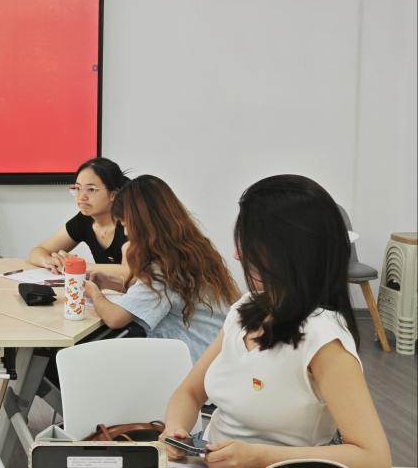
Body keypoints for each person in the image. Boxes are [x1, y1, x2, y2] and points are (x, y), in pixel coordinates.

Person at [161, 175, 391, 467]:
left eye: (249, 243)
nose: (237, 254)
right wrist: (175, 431)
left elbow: (375, 458)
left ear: (287, 251)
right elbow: (190, 392)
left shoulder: (323, 339)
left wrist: (260, 457)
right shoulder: (245, 309)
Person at [83, 175, 239, 362]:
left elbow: (115, 318)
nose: (125, 232)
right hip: (217, 352)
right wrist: (114, 283)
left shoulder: (164, 268)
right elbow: (160, 294)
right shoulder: (192, 249)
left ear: (141, 223)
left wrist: (94, 294)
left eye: (125, 224)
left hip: (195, 362)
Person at [28, 157, 130, 278]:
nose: (81, 197)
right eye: (77, 188)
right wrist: (50, 261)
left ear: (113, 194)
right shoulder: (84, 220)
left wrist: (77, 265)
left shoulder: (131, 222)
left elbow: (129, 272)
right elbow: (38, 251)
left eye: (91, 189)